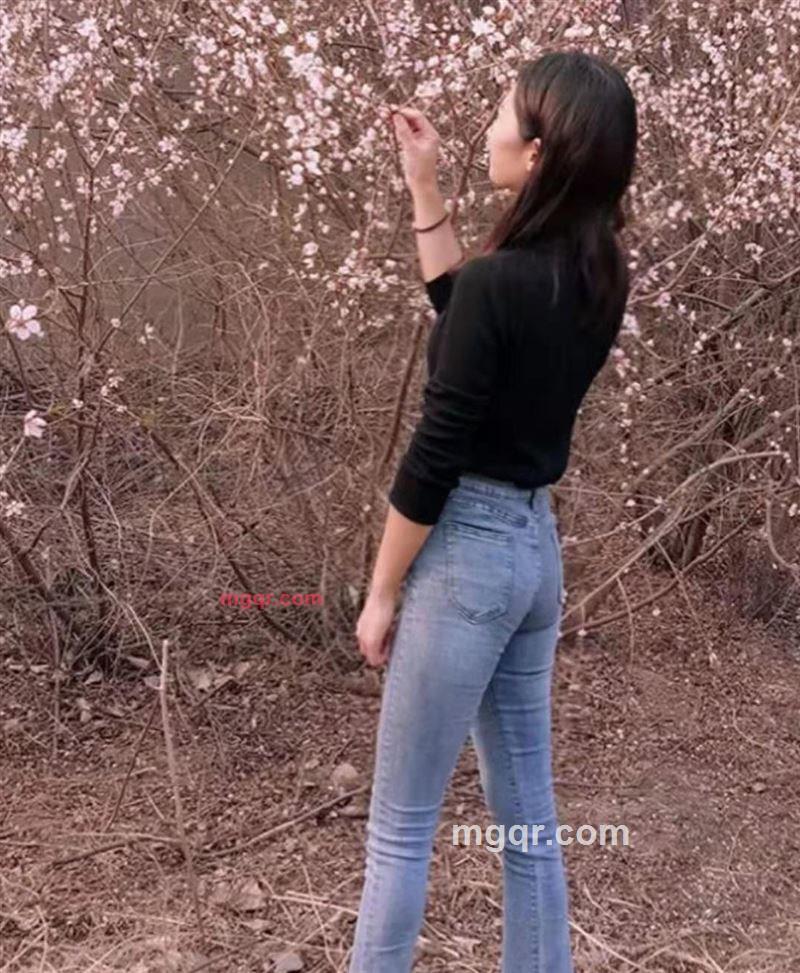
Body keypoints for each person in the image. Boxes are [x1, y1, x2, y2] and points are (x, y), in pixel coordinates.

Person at [350, 50, 638, 972]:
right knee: (528, 822)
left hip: (467, 559)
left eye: (505, 115)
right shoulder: (596, 277)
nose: (490, 129)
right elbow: (462, 310)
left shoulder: (502, 284)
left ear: (540, 151)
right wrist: (423, 185)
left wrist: (382, 591)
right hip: (533, 554)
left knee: (401, 829)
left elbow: (435, 454)